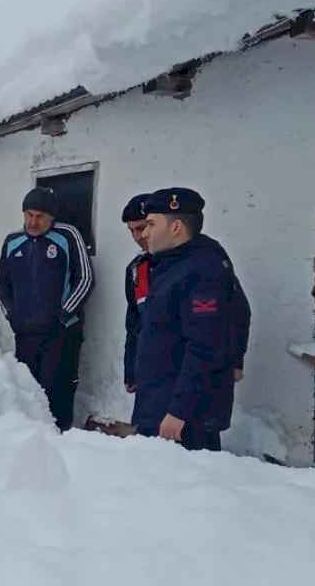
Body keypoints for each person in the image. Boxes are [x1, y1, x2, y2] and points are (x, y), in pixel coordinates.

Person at [133, 188, 251, 452]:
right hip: (161, 400)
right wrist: (236, 359)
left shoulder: (201, 270)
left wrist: (179, 411)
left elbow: (204, 345)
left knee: (183, 477)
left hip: (182, 416)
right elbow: (240, 311)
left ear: (175, 227)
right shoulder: (173, 263)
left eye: (151, 224)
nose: (144, 233)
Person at [0, 186, 95, 430]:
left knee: (57, 391)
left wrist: (64, 315)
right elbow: (1, 282)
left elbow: (85, 279)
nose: (33, 221)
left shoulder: (67, 235)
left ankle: (61, 439)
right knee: (28, 392)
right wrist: (12, 316)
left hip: (61, 333)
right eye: (29, 215)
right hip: (25, 333)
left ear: (52, 217)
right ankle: (32, 440)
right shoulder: (13, 241)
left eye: (40, 216)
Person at [121, 193, 152, 395]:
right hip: (148, 372)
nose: (137, 237)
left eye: (141, 228)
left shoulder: (196, 261)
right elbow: (133, 324)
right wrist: (130, 371)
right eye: (131, 231)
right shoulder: (135, 269)